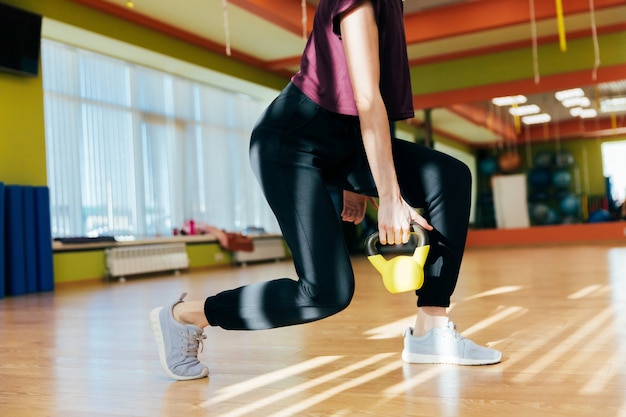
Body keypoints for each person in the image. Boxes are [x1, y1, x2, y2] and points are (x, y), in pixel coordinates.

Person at [149, 0, 502, 381]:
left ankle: (430, 331)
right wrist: (388, 196)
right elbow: (366, 98)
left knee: (449, 176)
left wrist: (350, 179)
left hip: (341, 145)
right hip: (289, 145)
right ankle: (186, 316)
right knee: (326, 293)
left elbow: (357, 98)